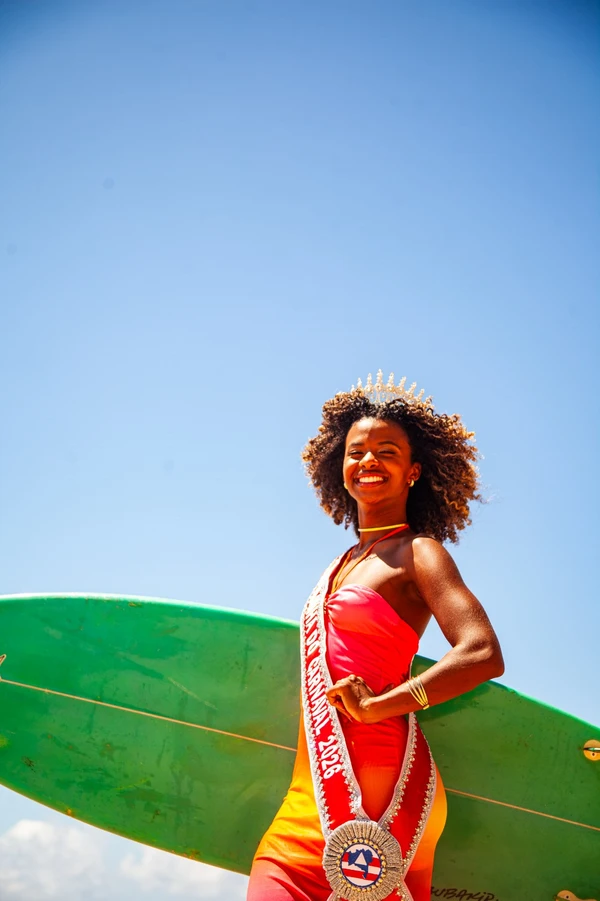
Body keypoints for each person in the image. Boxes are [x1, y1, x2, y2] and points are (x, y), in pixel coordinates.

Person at [247, 372, 504, 901]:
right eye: (356, 451)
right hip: (312, 786)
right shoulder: (342, 564)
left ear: (413, 471)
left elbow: (482, 653)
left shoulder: (419, 553)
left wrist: (381, 705)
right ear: (338, 467)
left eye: (387, 452)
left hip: (383, 793)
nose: (368, 461)